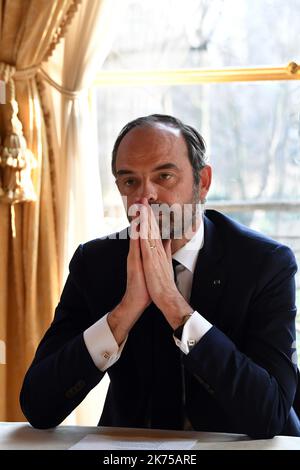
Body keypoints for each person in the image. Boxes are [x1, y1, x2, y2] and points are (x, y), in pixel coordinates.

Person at [20, 114, 300, 438]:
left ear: (203, 182)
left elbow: (271, 416)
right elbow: (38, 407)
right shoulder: (94, 263)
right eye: (130, 181)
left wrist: (173, 304)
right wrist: (122, 315)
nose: (145, 197)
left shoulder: (265, 264)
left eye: (164, 176)